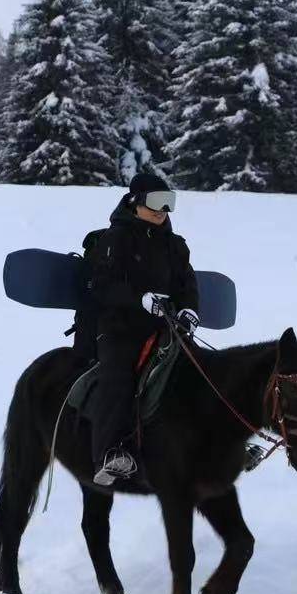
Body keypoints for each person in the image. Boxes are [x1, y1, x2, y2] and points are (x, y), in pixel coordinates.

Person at [82, 171, 200, 485]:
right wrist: (139, 300)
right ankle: (110, 453)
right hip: (119, 327)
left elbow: (187, 283)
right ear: (135, 202)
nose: (163, 210)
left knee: (201, 370)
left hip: (164, 328)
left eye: (168, 203)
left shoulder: (175, 245)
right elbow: (102, 285)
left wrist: (188, 309)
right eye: (156, 202)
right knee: (118, 375)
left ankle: (223, 442)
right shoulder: (115, 238)